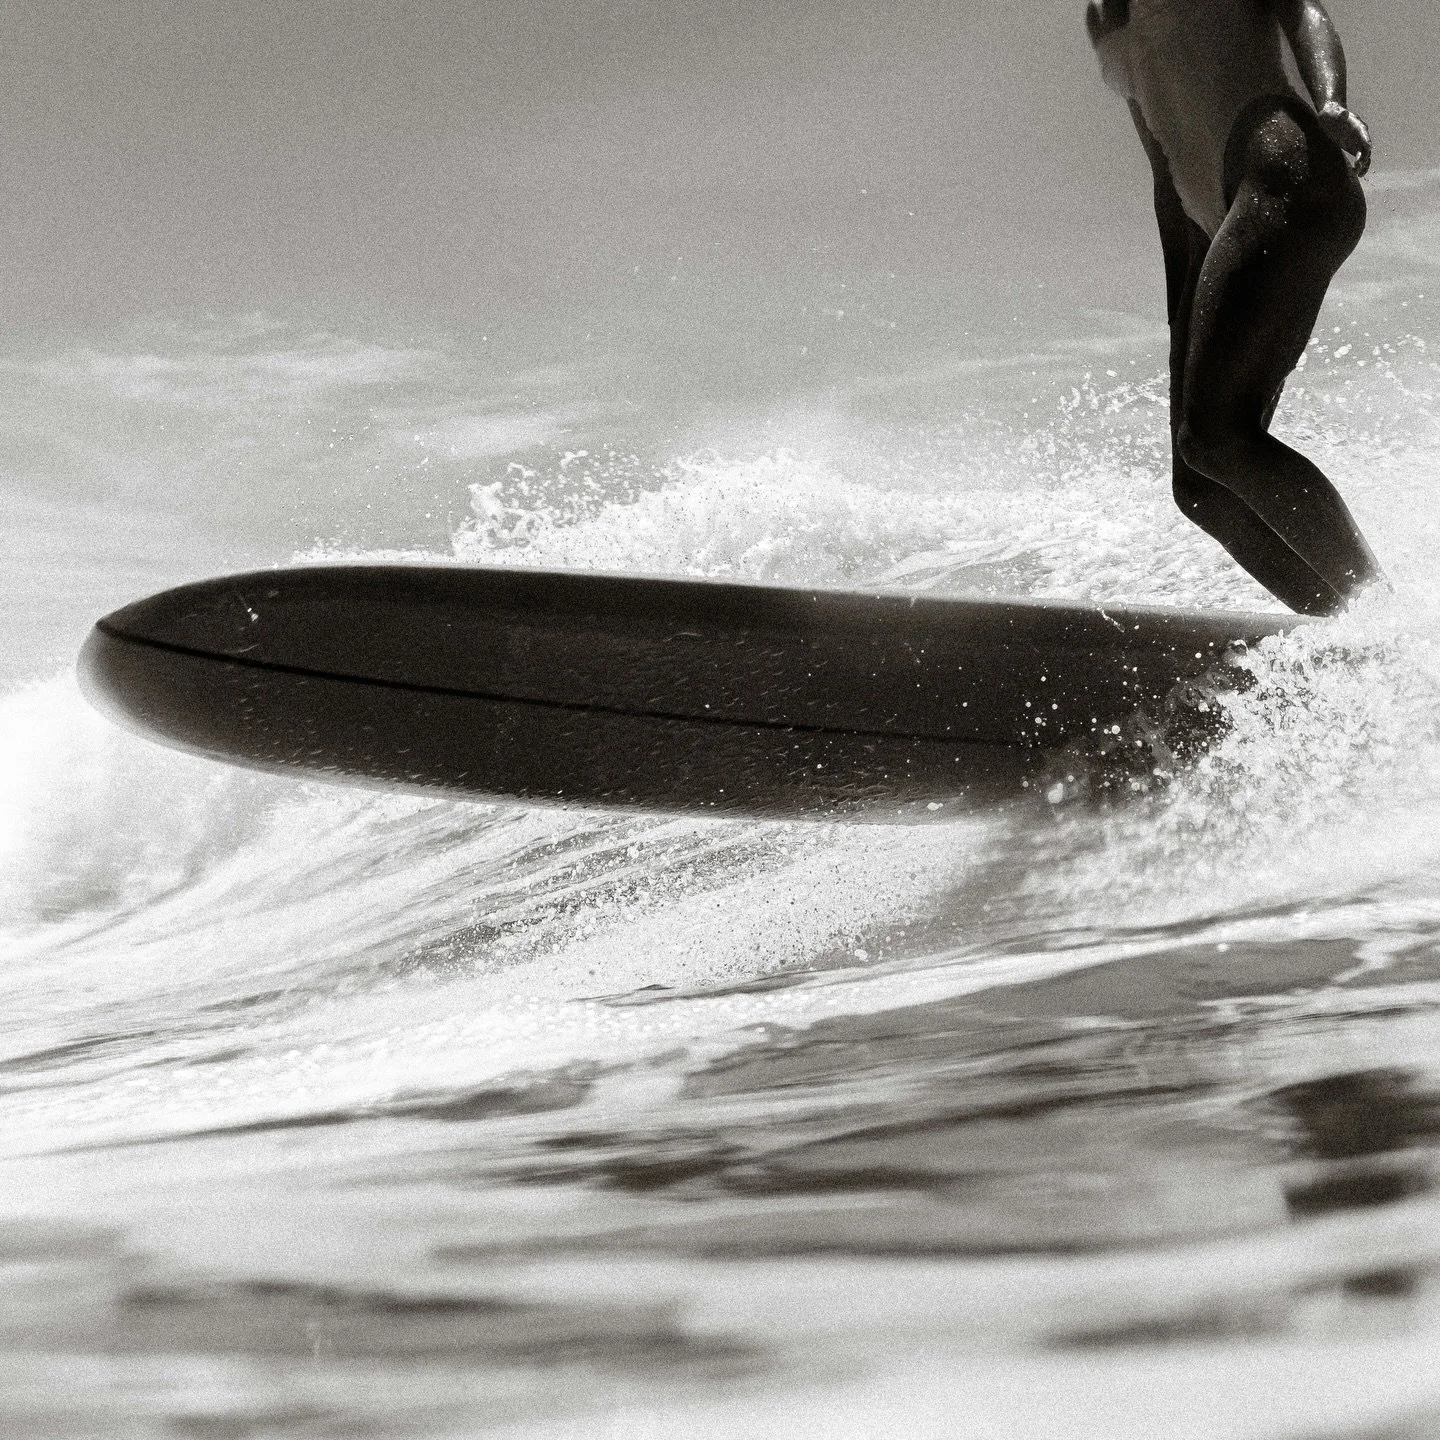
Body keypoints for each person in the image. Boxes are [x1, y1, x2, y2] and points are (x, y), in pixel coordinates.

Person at [1087, 0, 1383, 615]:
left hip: (1285, 166)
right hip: (1217, 213)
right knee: (1198, 485)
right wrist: (1182, 312)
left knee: (1218, 439)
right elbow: (1165, 164)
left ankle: (1392, 623)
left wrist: (1330, 100)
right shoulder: (1103, 16)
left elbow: (1302, 10)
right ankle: (1350, 632)